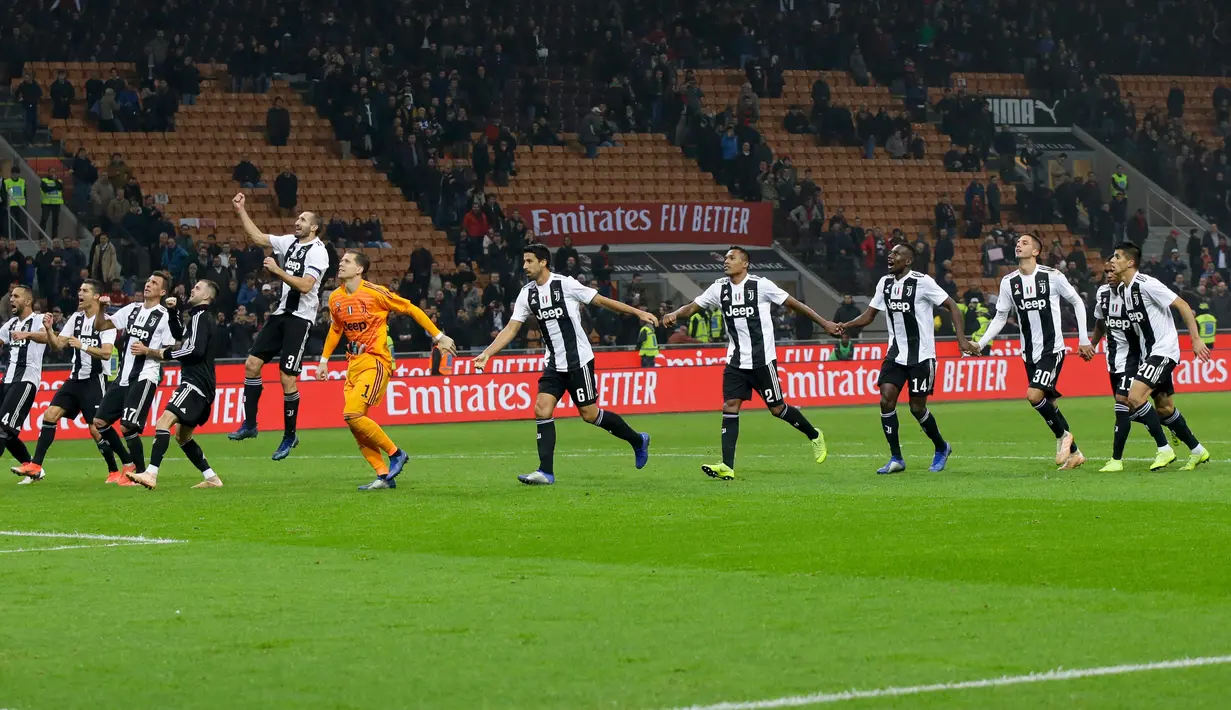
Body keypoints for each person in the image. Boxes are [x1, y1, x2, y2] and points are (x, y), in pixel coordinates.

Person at [472, 245, 655, 485]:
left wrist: (637, 312)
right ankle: (545, 472)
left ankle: (637, 440)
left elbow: (600, 301)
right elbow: (511, 328)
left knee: (589, 415)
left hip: (579, 361)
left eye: (529, 261)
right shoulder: (527, 294)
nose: (524, 266)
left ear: (543, 262)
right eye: (524, 261)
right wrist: (488, 353)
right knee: (541, 409)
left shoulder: (565, 284)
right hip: (553, 364)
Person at [662, 247, 841, 480]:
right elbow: (693, 306)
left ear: (744, 264)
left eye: (732, 258)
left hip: (762, 360)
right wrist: (675, 313)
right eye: (726, 257)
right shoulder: (719, 288)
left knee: (777, 409)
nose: (726, 261)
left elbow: (795, 304)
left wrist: (825, 323)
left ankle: (814, 434)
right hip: (735, 361)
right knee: (730, 406)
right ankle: (727, 465)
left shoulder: (761, 285)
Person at [317, 252, 457, 490]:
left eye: (347, 261)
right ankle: (383, 476)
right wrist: (323, 360)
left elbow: (411, 309)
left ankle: (396, 453)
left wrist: (439, 336)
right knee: (354, 422)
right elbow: (335, 329)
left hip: (376, 361)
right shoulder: (335, 298)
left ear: (360, 269)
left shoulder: (375, 293)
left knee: (352, 414)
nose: (341, 264)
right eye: (341, 261)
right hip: (353, 365)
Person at [963, 233, 1094, 470]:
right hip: (1028, 352)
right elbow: (1001, 316)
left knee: (1033, 395)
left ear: (1036, 251)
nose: (1018, 245)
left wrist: (1083, 339)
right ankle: (1075, 454)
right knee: (1048, 403)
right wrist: (981, 344)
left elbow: (1076, 302)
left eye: (1024, 243)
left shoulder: (1052, 276)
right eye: (1018, 242)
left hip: (1051, 349)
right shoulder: (1008, 282)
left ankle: (1064, 436)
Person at [838, 244, 967, 474]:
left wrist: (962, 340)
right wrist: (845, 326)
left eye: (896, 254)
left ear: (908, 261)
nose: (891, 256)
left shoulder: (922, 282)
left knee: (917, 409)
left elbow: (952, 306)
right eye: (891, 253)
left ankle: (941, 447)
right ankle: (896, 458)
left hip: (922, 356)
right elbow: (869, 316)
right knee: (886, 400)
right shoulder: (884, 283)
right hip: (895, 355)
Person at [1084, 243, 1212, 471]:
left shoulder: (1147, 285)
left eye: (1117, 257)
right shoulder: (1123, 290)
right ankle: (1198, 451)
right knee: (1164, 408)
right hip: (1146, 354)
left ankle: (1164, 449)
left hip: (1163, 350)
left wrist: (1195, 339)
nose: (1112, 261)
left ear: (1130, 262)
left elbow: (1182, 305)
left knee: (1132, 399)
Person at [228, 193, 331, 460]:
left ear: (314, 227)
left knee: (287, 378)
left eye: (303, 219)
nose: (297, 222)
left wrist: (278, 271)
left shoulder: (319, 252)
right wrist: (241, 210)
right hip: (282, 313)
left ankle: (289, 435)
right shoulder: (291, 242)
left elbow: (307, 285)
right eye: (298, 218)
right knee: (251, 364)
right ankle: (250, 424)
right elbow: (259, 238)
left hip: (300, 319)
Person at [11, 280, 117, 482]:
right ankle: (35, 465)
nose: (80, 293)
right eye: (79, 290)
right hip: (74, 380)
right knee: (50, 415)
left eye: (85, 290)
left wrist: (82, 345)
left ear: (95, 296)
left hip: (94, 380)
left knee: (95, 429)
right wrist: (50, 330)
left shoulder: (106, 322)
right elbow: (58, 345)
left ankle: (114, 470)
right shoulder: (76, 319)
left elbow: (106, 353)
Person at [128, 280, 223, 489]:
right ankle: (212, 478)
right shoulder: (198, 318)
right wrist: (173, 313)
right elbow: (181, 336)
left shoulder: (201, 317)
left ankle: (151, 474)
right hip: (203, 385)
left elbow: (193, 351)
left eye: (197, 288)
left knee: (163, 422)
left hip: (195, 383)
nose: (192, 289)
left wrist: (160, 353)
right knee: (182, 435)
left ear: (206, 296)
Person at [91, 272, 178, 485]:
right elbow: (100, 326)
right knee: (99, 422)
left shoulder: (165, 316)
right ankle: (129, 464)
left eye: (154, 283)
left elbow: (169, 351)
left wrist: (147, 350)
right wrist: (102, 308)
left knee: (127, 426)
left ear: (163, 291)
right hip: (123, 377)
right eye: (148, 281)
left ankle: (139, 472)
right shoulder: (132, 309)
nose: (148, 285)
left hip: (145, 376)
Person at [0, 286, 47, 476]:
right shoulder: (10, 324)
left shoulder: (38, 320)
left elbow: (48, 338)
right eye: (11, 296)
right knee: (8, 432)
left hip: (26, 380)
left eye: (16, 296)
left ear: (28, 301)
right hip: (7, 380)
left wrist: (27, 335)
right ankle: (32, 467)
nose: (12, 299)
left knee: (4, 429)